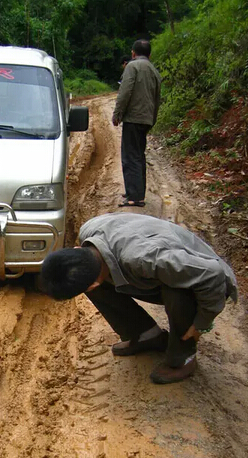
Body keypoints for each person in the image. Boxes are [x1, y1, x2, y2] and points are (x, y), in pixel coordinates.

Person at [40, 213, 238, 384]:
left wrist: (202, 324)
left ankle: (183, 357)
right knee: (96, 281)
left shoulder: (143, 259)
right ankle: (147, 336)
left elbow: (213, 274)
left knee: (177, 291)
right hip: (165, 261)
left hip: (206, 276)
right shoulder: (89, 232)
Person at [113, 40, 162, 208]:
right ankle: (137, 193)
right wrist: (152, 119)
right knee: (139, 155)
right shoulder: (154, 71)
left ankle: (134, 197)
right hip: (146, 119)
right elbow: (157, 98)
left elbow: (124, 92)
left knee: (130, 156)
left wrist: (117, 114)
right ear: (149, 54)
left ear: (133, 53)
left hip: (133, 118)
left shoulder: (132, 67)